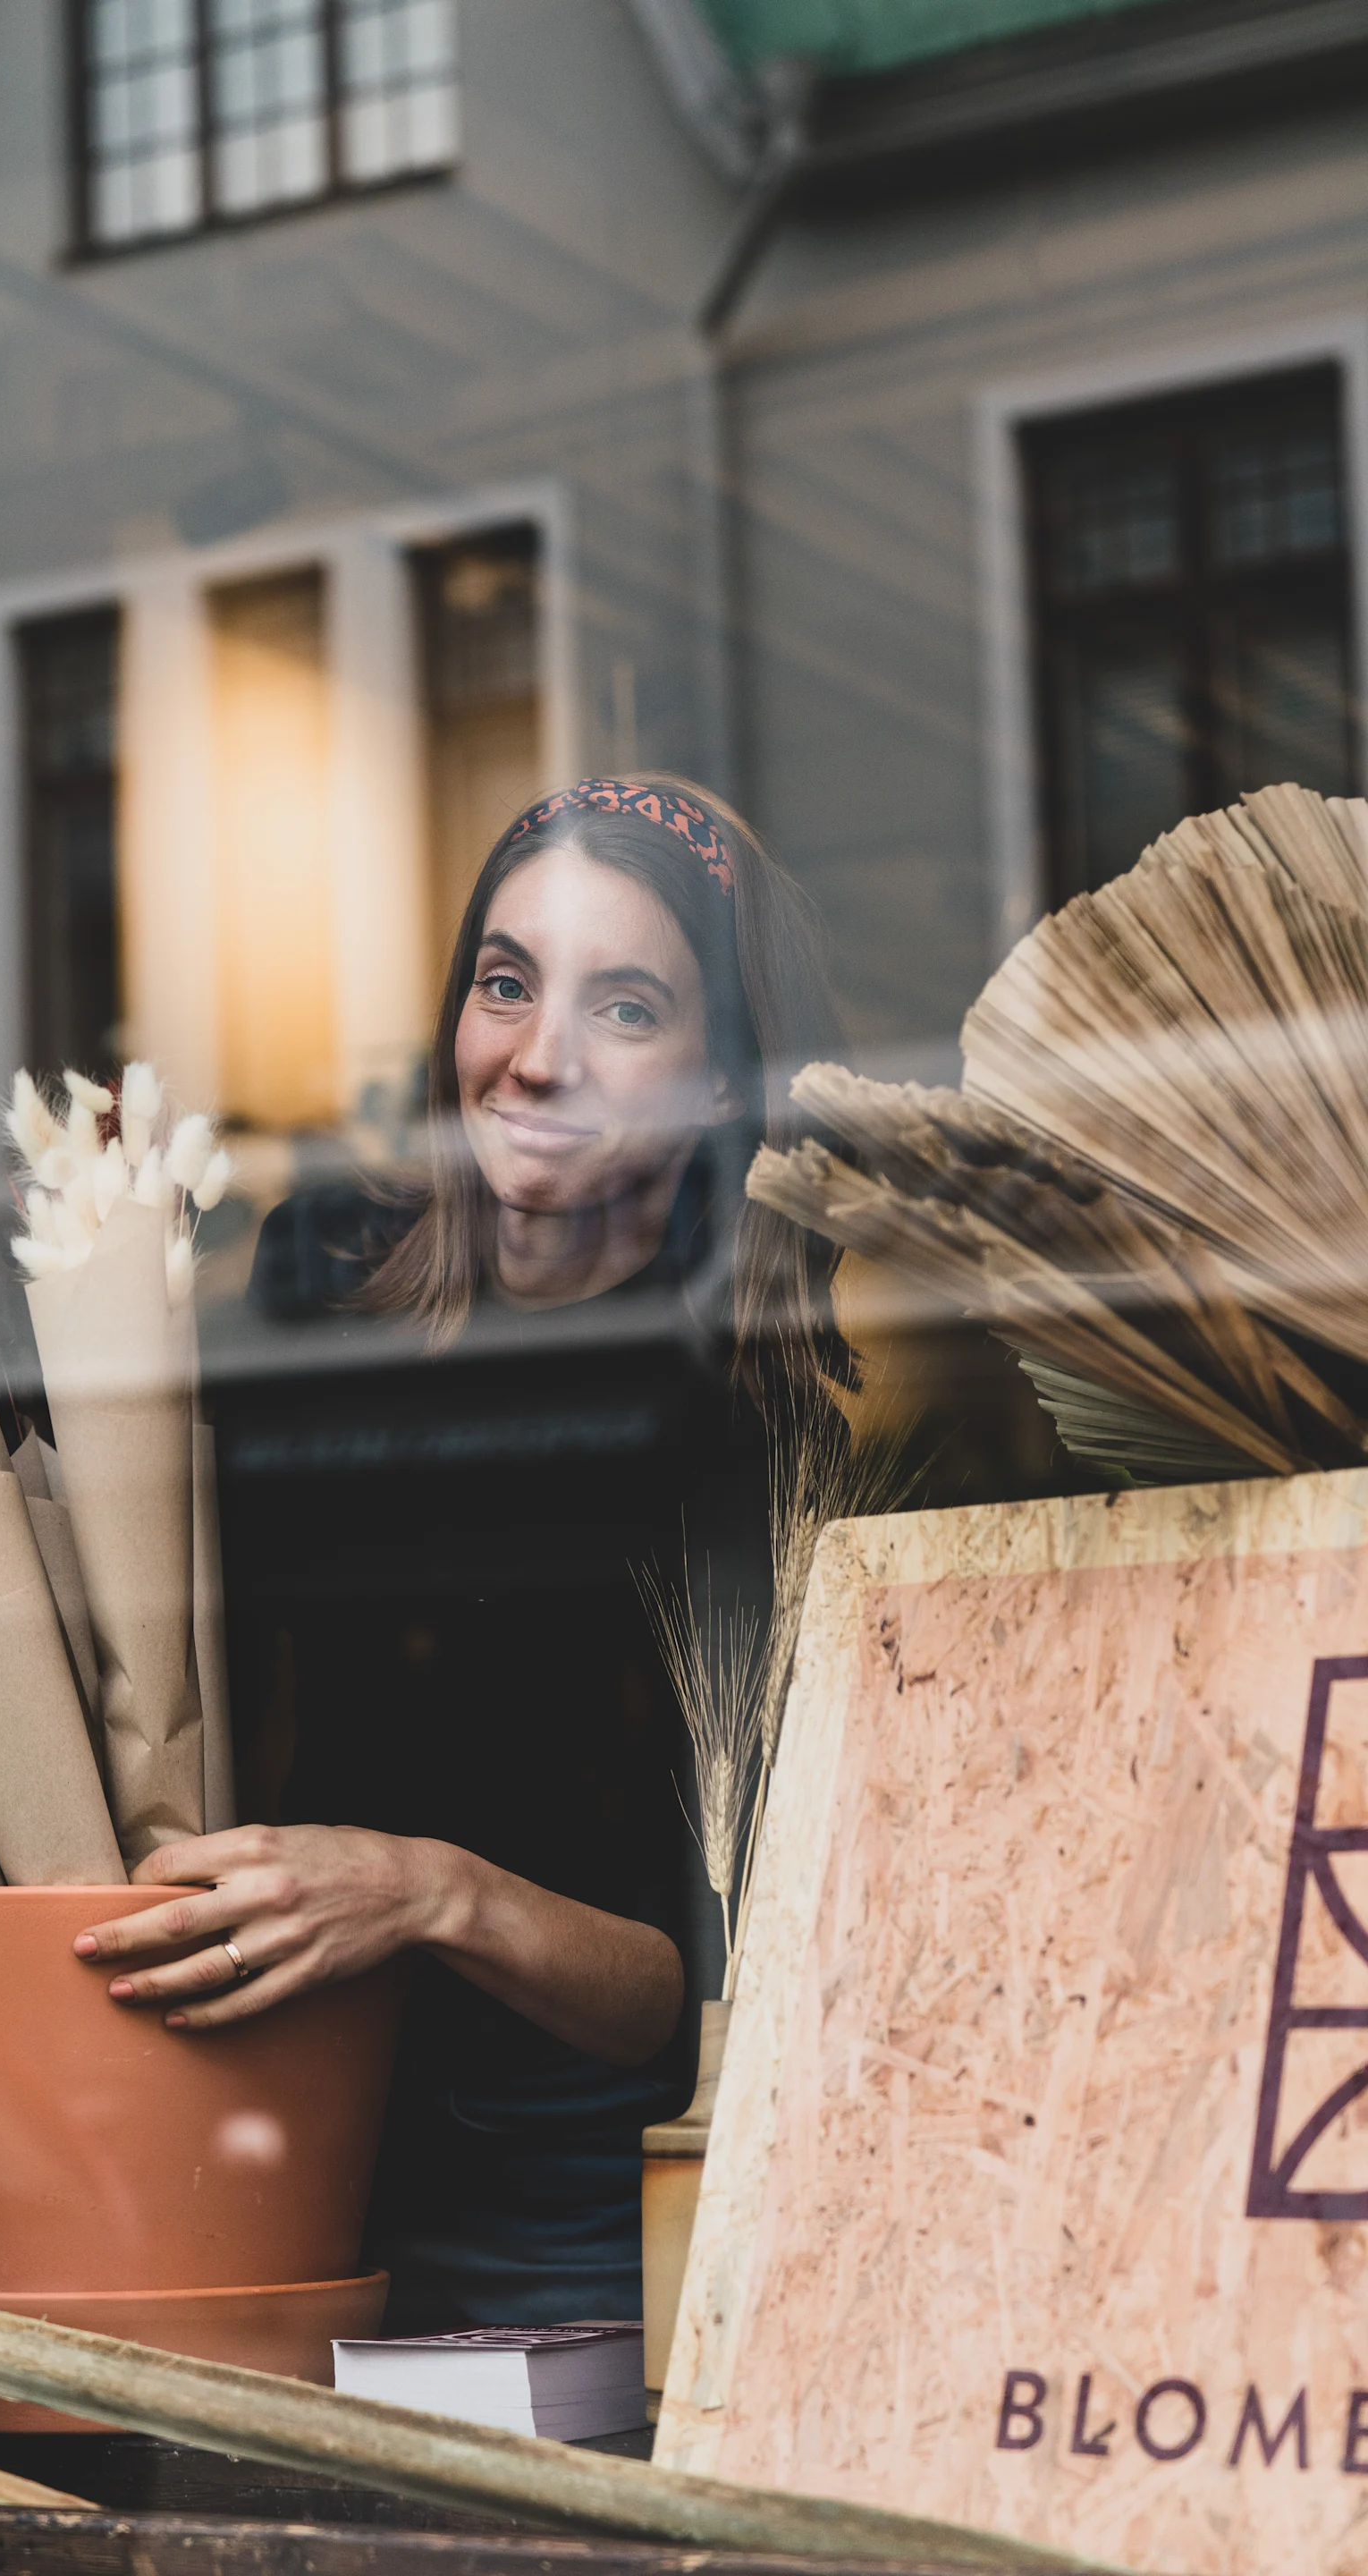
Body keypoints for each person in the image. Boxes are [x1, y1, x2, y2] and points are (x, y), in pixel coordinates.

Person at [77, 775, 836, 2328]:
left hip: (580, 2227)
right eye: (506, 983)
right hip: (280, 2149)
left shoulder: (747, 1447)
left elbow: (730, 1975)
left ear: (718, 1083)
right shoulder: (310, 1333)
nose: (538, 1056)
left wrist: (429, 1893)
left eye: (625, 1008)